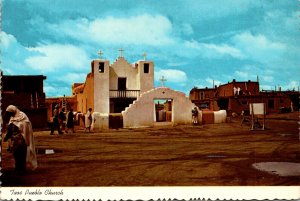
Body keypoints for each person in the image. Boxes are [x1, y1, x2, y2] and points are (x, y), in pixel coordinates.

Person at [5, 105, 38, 171]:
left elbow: (27, 127)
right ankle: (18, 168)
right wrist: (7, 136)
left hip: (22, 139)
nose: (11, 115)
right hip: (14, 141)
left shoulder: (23, 116)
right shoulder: (12, 118)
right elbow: (10, 129)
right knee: (16, 154)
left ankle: (22, 169)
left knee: (22, 154)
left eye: (11, 113)